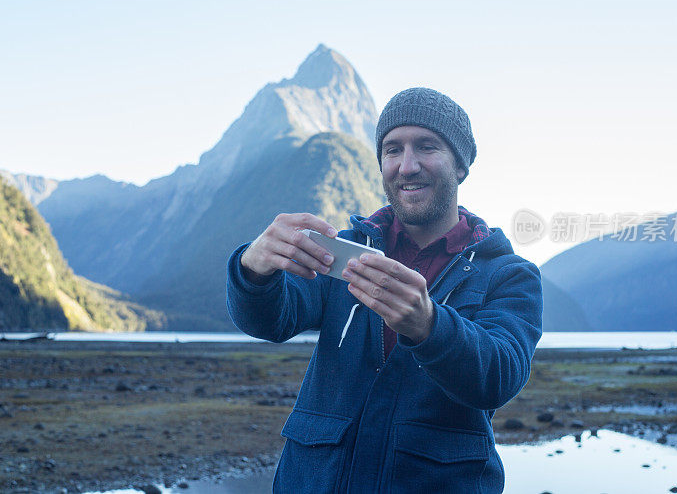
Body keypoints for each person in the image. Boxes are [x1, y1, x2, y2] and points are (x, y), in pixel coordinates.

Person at [226, 87, 543, 493]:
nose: (406, 166)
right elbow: (270, 320)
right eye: (392, 150)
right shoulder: (344, 251)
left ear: (460, 166)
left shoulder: (508, 274)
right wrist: (253, 270)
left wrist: (430, 326)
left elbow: (500, 376)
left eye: (426, 147)